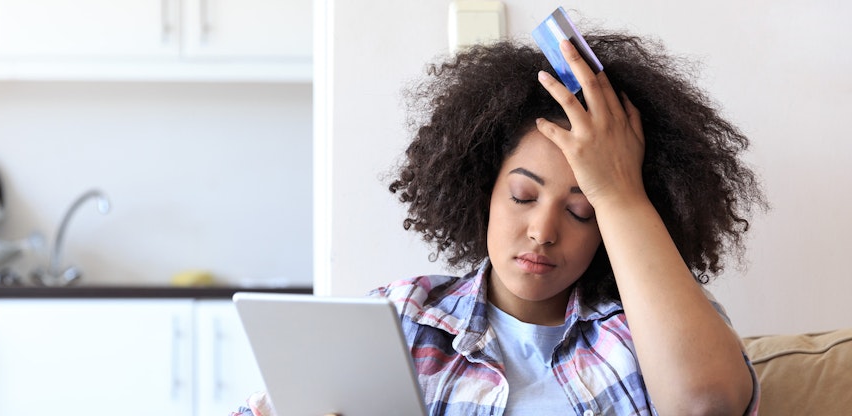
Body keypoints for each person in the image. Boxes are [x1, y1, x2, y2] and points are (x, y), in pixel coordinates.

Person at [234, 30, 764, 416]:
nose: (542, 230)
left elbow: (708, 404)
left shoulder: (643, 329)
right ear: (483, 188)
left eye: (582, 210)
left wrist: (619, 192)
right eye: (522, 195)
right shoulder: (399, 319)